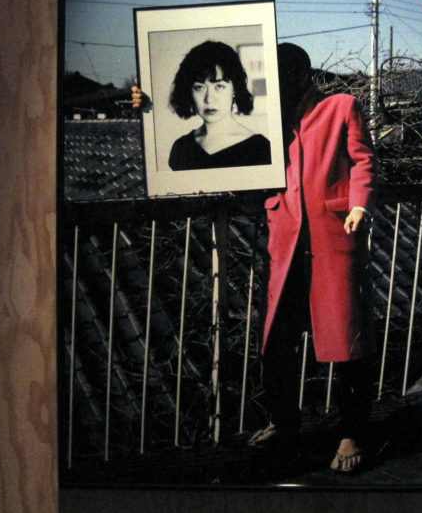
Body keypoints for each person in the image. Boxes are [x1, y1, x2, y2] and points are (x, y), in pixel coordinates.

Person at [250, 42, 376, 474]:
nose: (278, 82)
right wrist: (150, 106)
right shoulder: (264, 119)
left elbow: (363, 161)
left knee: (345, 342)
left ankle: (351, 433)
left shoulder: (341, 106)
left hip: (334, 239)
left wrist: (359, 204)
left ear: (303, 74)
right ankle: (284, 422)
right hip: (285, 243)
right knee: (276, 342)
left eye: (285, 73)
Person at [155, 40, 271, 171]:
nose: (209, 99)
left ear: (235, 89)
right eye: (200, 87)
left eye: (219, 86)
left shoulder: (260, 149)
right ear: (189, 92)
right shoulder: (181, 148)